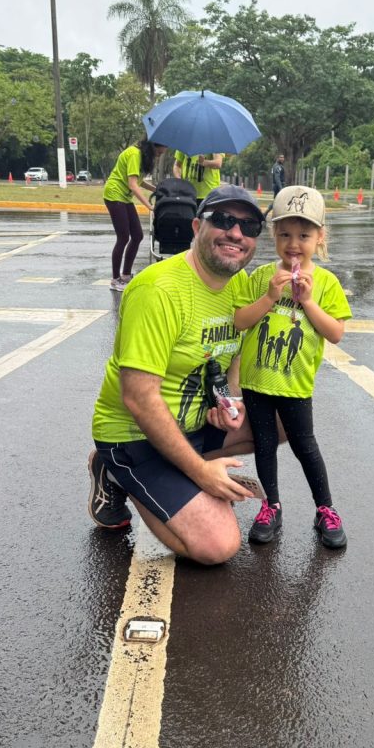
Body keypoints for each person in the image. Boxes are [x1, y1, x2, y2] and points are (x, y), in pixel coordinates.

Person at [88, 185, 270, 566]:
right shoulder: (159, 290)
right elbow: (139, 398)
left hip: (191, 421)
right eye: (222, 220)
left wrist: (228, 402)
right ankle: (115, 471)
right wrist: (202, 474)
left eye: (249, 225)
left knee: (281, 420)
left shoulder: (235, 283)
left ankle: (177, 470)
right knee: (218, 547)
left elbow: (230, 355)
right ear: (195, 227)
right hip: (134, 434)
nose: (236, 233)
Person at [234, 185, 351, 549]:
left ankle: (326, 509)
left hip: (295, 384)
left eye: (304, 235)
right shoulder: (262, 278)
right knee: (264, 445)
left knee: (305, 446)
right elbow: (240, 322)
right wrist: (270, 296)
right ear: (274, 236)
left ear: (320, 237)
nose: (293, 244)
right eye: (284, 234)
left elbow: (335, 333)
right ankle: (271, 506)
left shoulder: (327, 283)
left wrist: (309, 303)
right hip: (257, 381)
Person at [103, 138, 167, 292]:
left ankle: (125, 275)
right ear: (152, 147)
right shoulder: (134, 154)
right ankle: (115, 279)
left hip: (124, 197)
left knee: (137, 235)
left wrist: (157, 190)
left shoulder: (140, 156)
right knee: (123, 237)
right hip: (114, 194)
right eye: (158, 152)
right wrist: (149, 206)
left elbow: (139, 181)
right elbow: (133, 185)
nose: (158, 156)